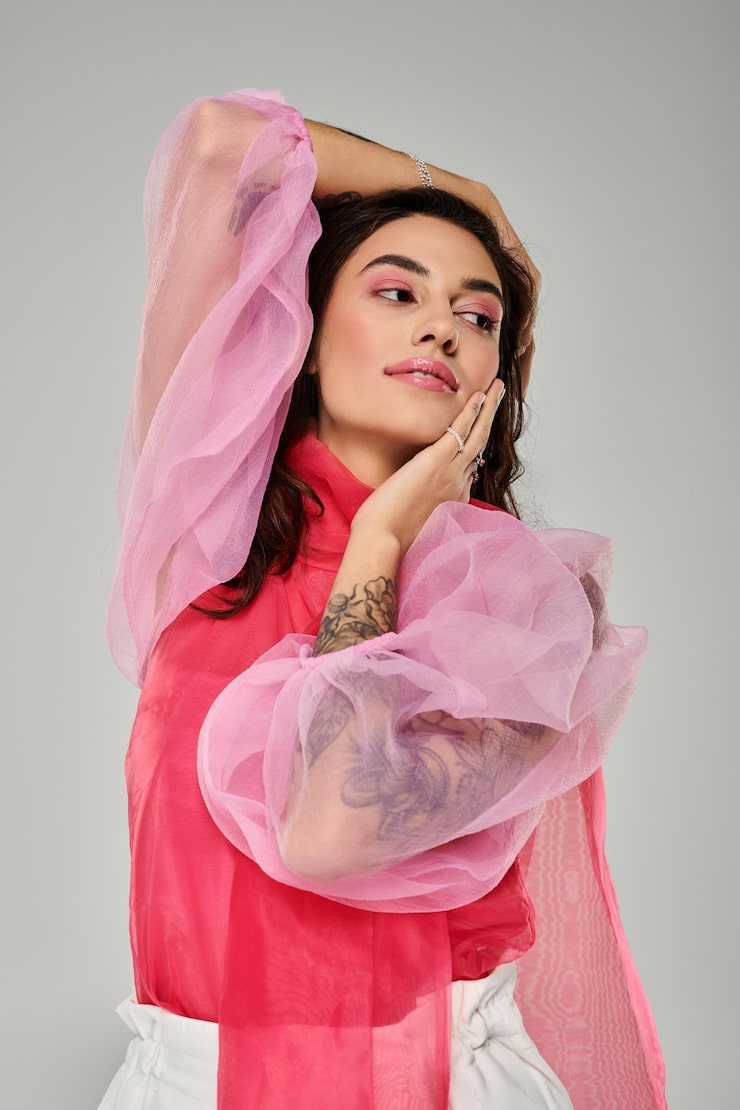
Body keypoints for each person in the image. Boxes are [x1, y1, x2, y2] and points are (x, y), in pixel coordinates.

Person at [101, 89, 666, 1109]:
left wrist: (378, 539)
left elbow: (327, 831)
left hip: (438, 1077)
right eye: (397, 292)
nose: (442, 328)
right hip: (183, 1078)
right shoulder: (203, 540)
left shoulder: (522, 604)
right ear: (302, 340)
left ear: (495, 377)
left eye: (477, 315)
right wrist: (465, 198)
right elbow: (220, 143)